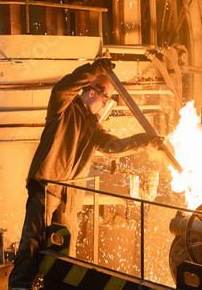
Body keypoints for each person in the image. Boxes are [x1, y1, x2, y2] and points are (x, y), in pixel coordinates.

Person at [8, 58, 164, 290]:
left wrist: (145, 141)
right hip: (46, 188)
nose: (106, 103)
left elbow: (114, 147)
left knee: (66, 253)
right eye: (106, 96)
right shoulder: (62, 108)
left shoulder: (93, 127)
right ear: (92, 91)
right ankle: (19, 287)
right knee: (31, 243)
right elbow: (63, 86)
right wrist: (94, 69)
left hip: (70, 196)